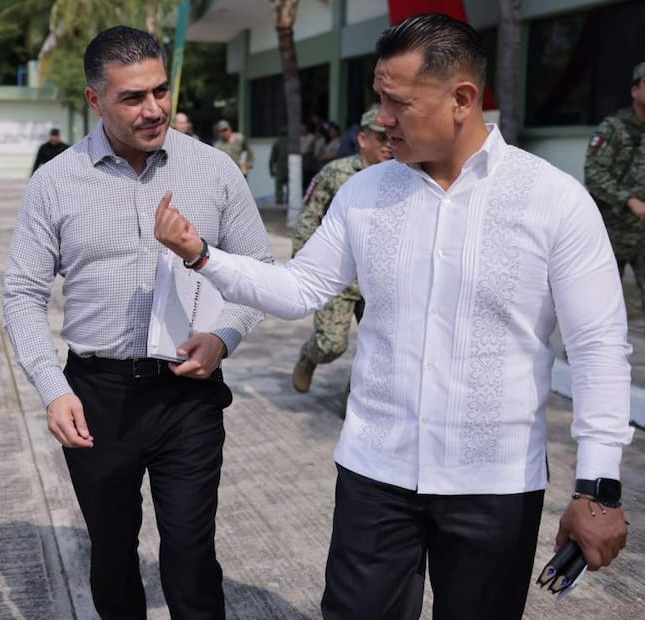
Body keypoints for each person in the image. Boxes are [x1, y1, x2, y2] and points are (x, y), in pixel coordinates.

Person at [155, 14, 632, 620]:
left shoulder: (553, 200)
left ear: (462, 99)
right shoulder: (366, 192)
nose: (382, 118)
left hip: (494, 481)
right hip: (375, 473)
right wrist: (201, 255)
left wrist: (597, 487)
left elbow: (597, 350)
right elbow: (301, 286)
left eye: (397, 101)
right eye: (379, 98)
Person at [2, 25, 273, 620]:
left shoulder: (214, 170)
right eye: (132, 97)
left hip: (188, 391)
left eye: (159, 92)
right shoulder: (55, 182)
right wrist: (54, 391)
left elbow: (261, 270)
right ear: (95, 100)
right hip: (96, 396)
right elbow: (22, 294)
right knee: (112, 552)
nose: (153, 110)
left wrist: (223, 337)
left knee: (189, 551)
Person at [291, 107, 392, 394]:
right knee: (331, 344)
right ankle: (310, 356)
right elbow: (309, 218)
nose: (388, 144)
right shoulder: (336, 174)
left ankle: (355, 397)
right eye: (380, 137)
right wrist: (303, 267)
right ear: (362, 138)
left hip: (380, 279)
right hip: (338, 276)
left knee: (381, 351)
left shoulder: (404, 174)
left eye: (391, 137)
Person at [584, 61, 645, 311]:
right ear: (634, 91)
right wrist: (630, 201)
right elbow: (594, 174)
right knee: (599, 305)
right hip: (613, 234)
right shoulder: (614, 129)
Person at [268, 125, 290, 204]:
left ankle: (279, 200)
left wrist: (271, 171)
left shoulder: (277, 143)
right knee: (289, 186)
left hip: (280, 169)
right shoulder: (291, 143)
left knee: (279, 187)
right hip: (289, 169)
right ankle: (288, 201)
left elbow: (272, 159)